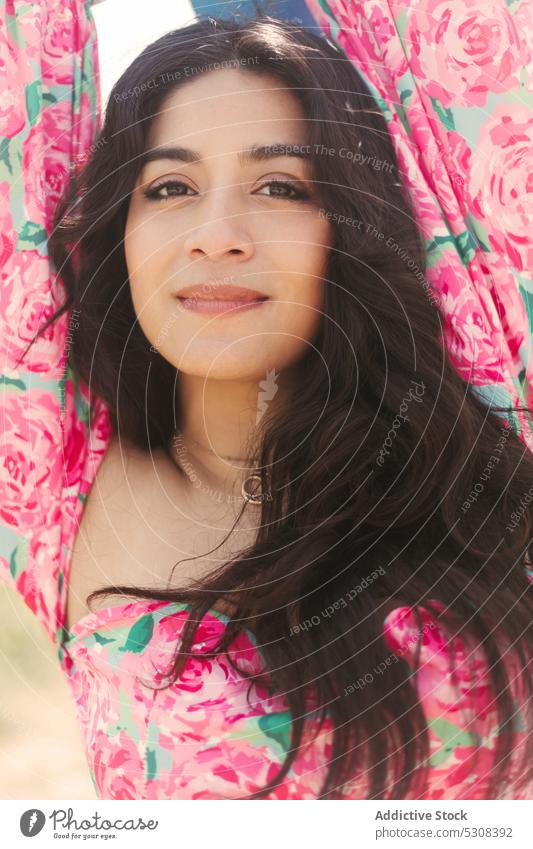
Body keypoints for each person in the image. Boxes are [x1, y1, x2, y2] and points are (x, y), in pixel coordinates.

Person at [1, 2, 532, 801]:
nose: (218, 234)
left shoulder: (488, 427)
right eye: (171, 185)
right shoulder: (58, 469)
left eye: (280, 185)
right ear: (119, 232)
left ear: (347, 227)